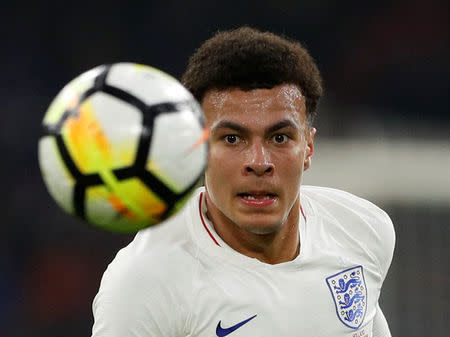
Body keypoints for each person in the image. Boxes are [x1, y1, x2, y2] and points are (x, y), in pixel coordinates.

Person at [91, 27, 395, 337]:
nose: (259, 163)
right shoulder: (146, 282)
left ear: (308, 148)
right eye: (233, 138)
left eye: (280, 137)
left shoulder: (362, 231)